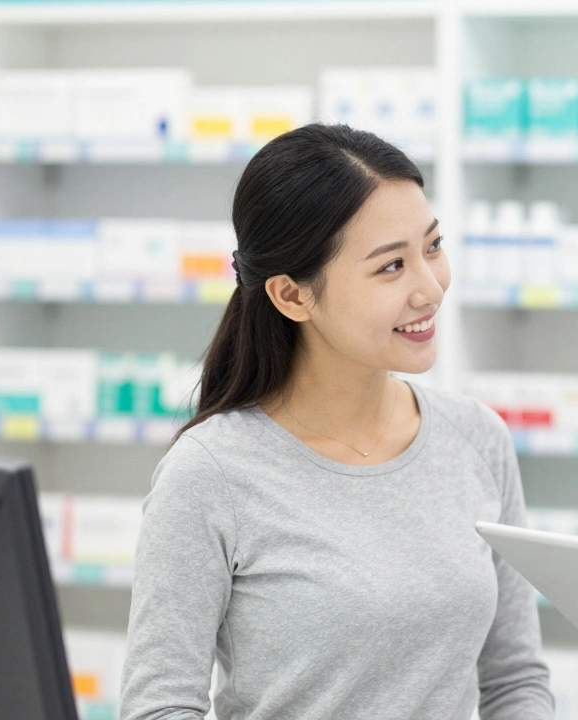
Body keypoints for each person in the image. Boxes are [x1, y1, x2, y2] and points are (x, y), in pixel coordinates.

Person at [119, 124, 553, 720]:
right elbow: (159, 706)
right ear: (293, 296)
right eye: (390, 267)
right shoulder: (211, 475)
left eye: (431, 247)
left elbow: (514, 680)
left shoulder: (476, 439)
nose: (430, 288)